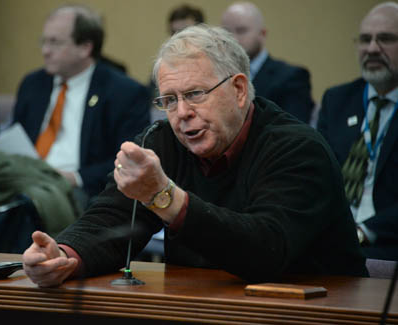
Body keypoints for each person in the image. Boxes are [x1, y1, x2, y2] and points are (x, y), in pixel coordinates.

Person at [23, 24, 368, 288]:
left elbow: (266, 249)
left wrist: (165, 197)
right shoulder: (164, 142)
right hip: (203, 305)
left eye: (195, 94)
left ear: (238, 89)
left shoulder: (298, 148)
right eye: (169, 100)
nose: (182, 113)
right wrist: (64, 255)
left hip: (315, 310)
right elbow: (111, 218)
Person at [12, 4, 151, 205]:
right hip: (22, 181)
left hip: (79, 190)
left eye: (55, 43)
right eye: (43, 41)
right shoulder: (33, 84)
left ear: (85, 48)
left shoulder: (124, 92)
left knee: (25, 209)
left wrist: (76, 177)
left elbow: (129, 160)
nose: (45, 51)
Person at [317, 2, 398, 261]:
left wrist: (363, 231)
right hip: (333, 235)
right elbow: (318, 174)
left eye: (385, 39)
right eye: (365, 39)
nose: (373, 48)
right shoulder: (338, 99)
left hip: (387, 243)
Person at [221, 1, 314, 124]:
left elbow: (295, 132)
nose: (233, 38)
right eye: (226, 32)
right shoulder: (217, 77)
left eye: (241, 30)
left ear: (262, 34)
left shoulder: (291, 77)